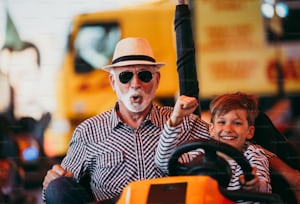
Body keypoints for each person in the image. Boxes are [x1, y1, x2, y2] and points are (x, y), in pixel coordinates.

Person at [42, 37, 211, 204]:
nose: (135, 83)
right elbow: (55, 193)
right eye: (125, 76)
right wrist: (52, 181)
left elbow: (229, 142)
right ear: (113, 82)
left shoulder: (184, 121)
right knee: (57, 188)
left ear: (157, 80)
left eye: (144, 76)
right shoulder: (88, 132)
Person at [155, 92, 271, 195]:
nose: (228, 129)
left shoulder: (254, 154)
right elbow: (163, 161)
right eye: (221, 122)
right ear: (211, 129)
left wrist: (254, 184)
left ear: (249, 132)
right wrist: (176, 119)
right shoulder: (200, 155)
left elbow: (264, 186)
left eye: (237, 123)